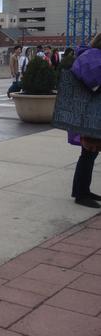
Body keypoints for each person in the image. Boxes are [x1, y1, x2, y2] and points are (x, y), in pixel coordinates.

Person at [69, 33, 101, 208]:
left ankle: (82, 190)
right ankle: (81, 194)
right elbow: (93, 82)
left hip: (90, 112)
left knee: (90, 153)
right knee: (89, 152)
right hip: (90, 113)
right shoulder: (92, 58)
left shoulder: (90, 56)